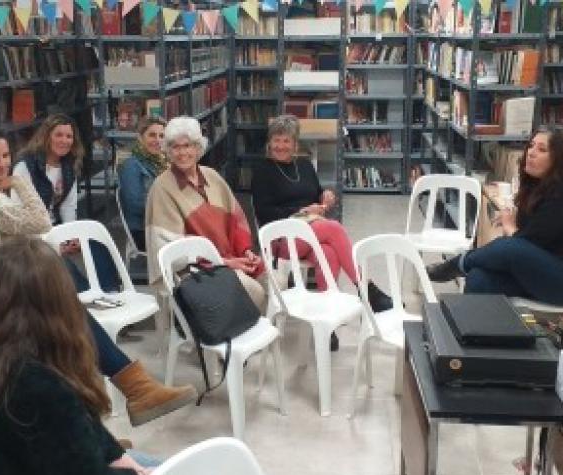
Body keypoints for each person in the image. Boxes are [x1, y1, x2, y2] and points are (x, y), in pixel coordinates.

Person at [0, 163, 197, 427]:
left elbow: (38, 223)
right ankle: (122, 400)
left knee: (57, 299)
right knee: (55, 315)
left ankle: (110, 413)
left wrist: (18, 184)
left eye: (6, 156)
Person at [0, 237, 153, 475]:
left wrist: (118, 456)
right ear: (63, 303)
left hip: (13, 474)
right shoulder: (37, 388)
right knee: (171, 472)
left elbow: (82, 436)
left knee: (151, 465)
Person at [427, 126, 563, 306]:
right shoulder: (539, 186)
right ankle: (475, 326)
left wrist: (509, 227)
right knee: (479, 278)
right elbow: (529, 242)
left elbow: (526, 244)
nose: (531, 153)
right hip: (546, 270)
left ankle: (459, 264)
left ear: (562, 159)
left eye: (542, 150)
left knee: (510, 248)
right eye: (531, 146)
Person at [251, 115, 391, 328]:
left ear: (295, 144)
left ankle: (328, 322)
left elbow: (315, 193)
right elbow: (264, 213)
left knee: (328, 253)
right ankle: (366, 289)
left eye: (286, 140)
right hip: (281, 238)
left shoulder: (305, 165)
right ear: (269, 143)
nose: (280, 146)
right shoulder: (262, 171)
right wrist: (300, 211)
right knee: (334, 229)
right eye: (276, 140)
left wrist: (325, 195)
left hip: (309, 232)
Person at [145, 116, 267, 311]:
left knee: (272, 281)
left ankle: (258, 328)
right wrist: (224, 263)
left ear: (198, 147)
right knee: (254, 291)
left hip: (228, 259)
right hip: (193, 271)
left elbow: (236, 220)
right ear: (168, 150)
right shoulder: (162, 188)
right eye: (175, 147)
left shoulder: (212, 176)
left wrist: (246, 251)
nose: (182, 153)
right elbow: (170, 253)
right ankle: (239, 329)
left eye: (187, 145)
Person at [11, 114, 121, 291]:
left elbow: (68, 207)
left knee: (96, 242)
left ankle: (111, 293)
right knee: (61, 265)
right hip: (32, 235)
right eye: (58, 135)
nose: (64, 140)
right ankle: (82, 298)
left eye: (69, 136)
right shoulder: (25, 166)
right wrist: (56, 244)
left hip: (55, 227)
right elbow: (20, 216)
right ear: (46, 136)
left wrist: (71, 236)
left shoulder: (68, 165)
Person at [118, 116, 167, 251]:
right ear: (140, 138)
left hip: (163, 225)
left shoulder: (163, 163)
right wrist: (169, 209)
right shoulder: (131, 165)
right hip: (143, 230)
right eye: (152, 135)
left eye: (161, 136)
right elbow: (136, 205)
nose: (158, 140)